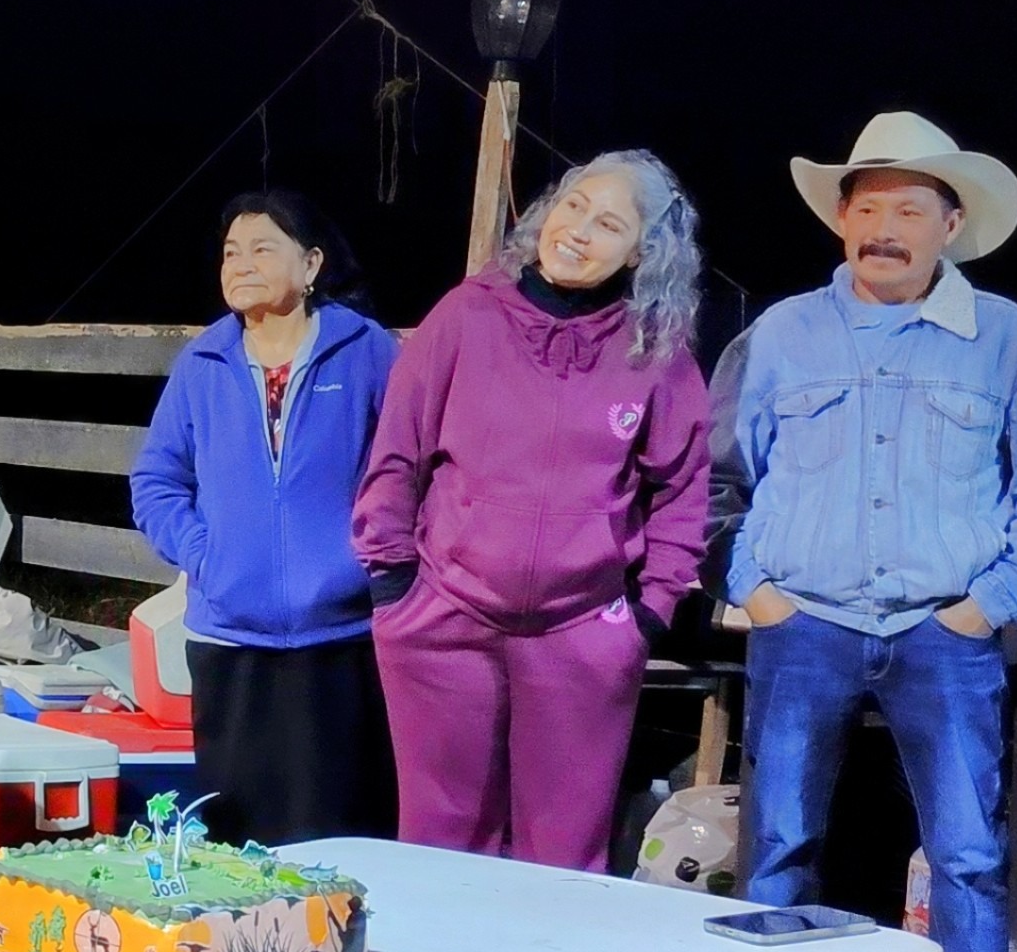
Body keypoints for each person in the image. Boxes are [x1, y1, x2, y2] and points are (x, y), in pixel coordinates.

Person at [694, 111, 1017, 952]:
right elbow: (714, 476)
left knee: (967, 854)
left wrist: (993, 601)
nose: (885, 228)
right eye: (867, 207)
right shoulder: (781, 333)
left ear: (950, 225)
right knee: (778, 842)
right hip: (804, 624)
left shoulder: (1007, 337)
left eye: (910, 209)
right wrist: (753, 588)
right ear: (840, 220)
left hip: (942, 631)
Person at [352, 150, 710, 873]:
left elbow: (683, 487)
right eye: (573, 206)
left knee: (564, 853)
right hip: (442, 618)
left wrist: (648, 614)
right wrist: (392, 580)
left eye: (608, 224)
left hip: (582, 633)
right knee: (441, 844)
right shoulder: (467, 314)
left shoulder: (655, 349)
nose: (577, 230)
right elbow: (397, 451)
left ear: (640, 253)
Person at [129, 187, 402, 845]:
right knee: (238, 838)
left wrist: (368, 556)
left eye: (261, 249)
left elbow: (411, 467)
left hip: (341, 638)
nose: (241, 265)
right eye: (231, 253)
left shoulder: (367, 351)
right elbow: (156, 480)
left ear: (311, 265)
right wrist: (205, 556)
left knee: (343, 832)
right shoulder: (202, 363)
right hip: (230, 640)